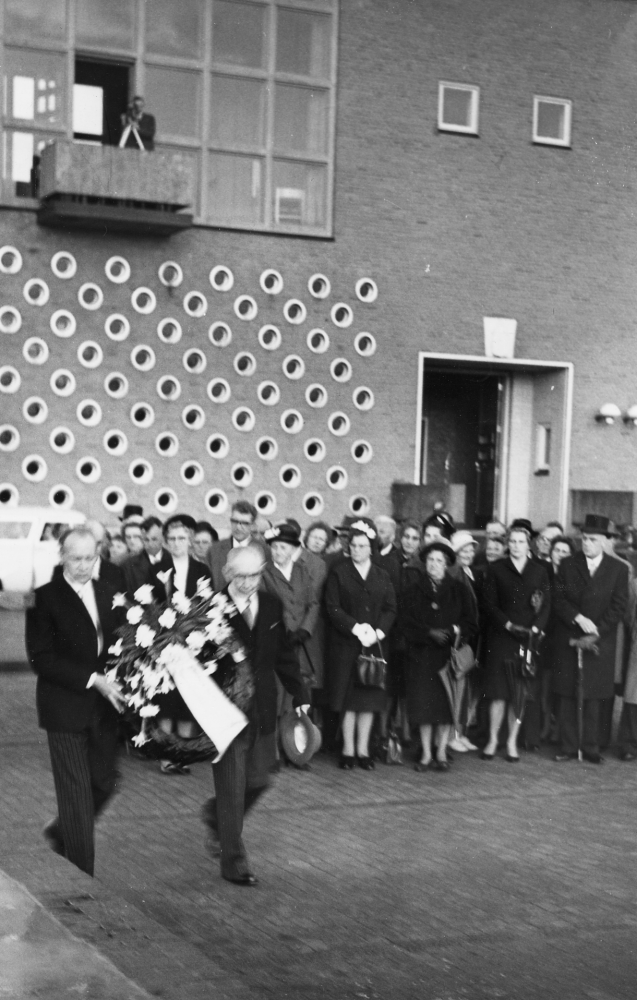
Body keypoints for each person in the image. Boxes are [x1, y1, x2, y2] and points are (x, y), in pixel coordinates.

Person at [200, 545, 309, 886]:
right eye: (242, 576)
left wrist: (301, 693)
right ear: (228, 573)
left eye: (255, 575)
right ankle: (235, 863)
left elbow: (284, 655)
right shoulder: (209, 609)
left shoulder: (272, 605)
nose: (249, 583)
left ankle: (216, 818)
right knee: (232, 789)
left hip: (262, 707)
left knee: (260, 780)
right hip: (226, 714)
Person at [25, 527, 127, 876]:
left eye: (90, 558)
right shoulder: (44, 598)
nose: (83, 565)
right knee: (76, 795)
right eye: (76, 558)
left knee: (105, 782)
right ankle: (83, 877)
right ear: (62, 556)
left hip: (103, 709)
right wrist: (91, 679)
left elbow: (120, 645)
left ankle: (61, 831)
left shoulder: (110, 592)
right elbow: (41, 659)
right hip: (64, 707)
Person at [552, 514, 629, 763]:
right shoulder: (567, 564)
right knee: (567, 694)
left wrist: (596, 630)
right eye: (584, 539)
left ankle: (591, 747)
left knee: (594, 696)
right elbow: (558, 600)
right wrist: (577, 617)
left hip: (600, 642)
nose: (586, 543)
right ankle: (568, 746)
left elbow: (619, 606)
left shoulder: (618, 569)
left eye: (592, 539)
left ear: (605, 541)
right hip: (571, 637)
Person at [400, 539, 478, 771]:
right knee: (424, 707)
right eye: (430, 560)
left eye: (439, 561)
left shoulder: (459, 590)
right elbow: (405, 622)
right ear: (425, 564)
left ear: (446, 564)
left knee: (445, 706)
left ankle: (441, 752)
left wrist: (455, 630)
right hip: (422, 656)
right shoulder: (413, 591)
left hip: (448, 657)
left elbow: (471, 622)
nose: (434, 565)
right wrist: (427, 633)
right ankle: (425, 753)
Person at [325, 521, 397, 769]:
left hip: (373, 647)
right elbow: (332, 606)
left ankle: (363, 750)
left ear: (371, 548)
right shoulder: (339, 571)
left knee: (367, 699)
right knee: (348, 699)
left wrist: (378, 632)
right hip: (347, 644)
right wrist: (354, 627)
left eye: (362, 546)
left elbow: (390, 608)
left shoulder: (382, 575)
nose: (357, 550)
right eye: (353, 545)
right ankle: (348, 750)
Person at [481, 519, 551, 762]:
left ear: (528, 545)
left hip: (526, 640)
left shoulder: (539, 570)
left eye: (521, 542)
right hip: (502, 637)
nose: (517, 545)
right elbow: (489, 604)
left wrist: (534, 629)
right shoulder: (497, 568)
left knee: (518, 694)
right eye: (512, 541)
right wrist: (508, 624)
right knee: (498, 693)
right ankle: (492, 740)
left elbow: (546, 605)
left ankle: (511, 742)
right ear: (507, 544)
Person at [152, 514, 213, 773]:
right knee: (167, 703)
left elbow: (208, 605)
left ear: (190, 541)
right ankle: (167, 758)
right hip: (164, 647)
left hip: (192, 646)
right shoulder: (156, 571)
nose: (177, 543)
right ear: (166, 542)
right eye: (172, 539)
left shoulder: (201, 570)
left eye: (182, 539)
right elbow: (149, 606)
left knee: (187, 704)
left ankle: (183, 756)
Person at [261, 523, 320, 767]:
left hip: (301, 646)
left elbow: (312, 604)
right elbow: (265, 609)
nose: (277, 552)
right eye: (274, 547)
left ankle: (296, 751)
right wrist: (282, 634)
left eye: (282, 547)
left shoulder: (302, 571)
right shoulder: (264, 574)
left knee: (298, 698)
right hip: (278, 646)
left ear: (293, 549)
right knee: (276, 700)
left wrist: (304, 630)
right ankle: (273, 753)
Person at [206, 501, 268, 593]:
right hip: (221, 603)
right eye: (235, 521)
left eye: (244, 523)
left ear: (253, 525)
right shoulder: (215, 550)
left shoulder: (265, 550)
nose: (238, 527)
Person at [123, 516, 172, 594]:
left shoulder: (173, 561)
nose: (150, 544)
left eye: (154, 539)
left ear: (162, 538)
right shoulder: (129, 565)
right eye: (146, 540)